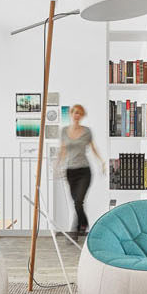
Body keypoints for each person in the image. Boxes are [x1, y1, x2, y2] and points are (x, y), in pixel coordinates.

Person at [54, 102, 105, 243]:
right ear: (71, 114)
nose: (76, 115)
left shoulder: (87, 131)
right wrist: (56, 165)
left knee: (78, 201)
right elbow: (62, 149)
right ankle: (83, 224)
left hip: (84, 171)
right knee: (76, 203)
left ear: (82, 116)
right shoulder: (64, 131)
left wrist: (101, 161)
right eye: (74, 112)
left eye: (79, 113)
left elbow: (93, 148)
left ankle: (75, 232)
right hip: (70, 172)